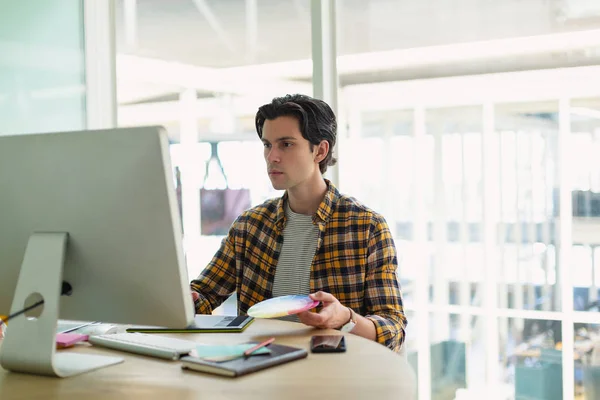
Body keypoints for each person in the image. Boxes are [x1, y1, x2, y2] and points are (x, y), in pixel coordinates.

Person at [190, 94, 407, 352]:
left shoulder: (366, 227)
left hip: (334, 380)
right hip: (258, 374)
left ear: (320, 150)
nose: (272, 156)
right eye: (267, 145)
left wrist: (345, 318)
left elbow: (393, 328)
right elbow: (203, 295)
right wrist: (180, 299)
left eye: (286, 144)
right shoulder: (250, 226)